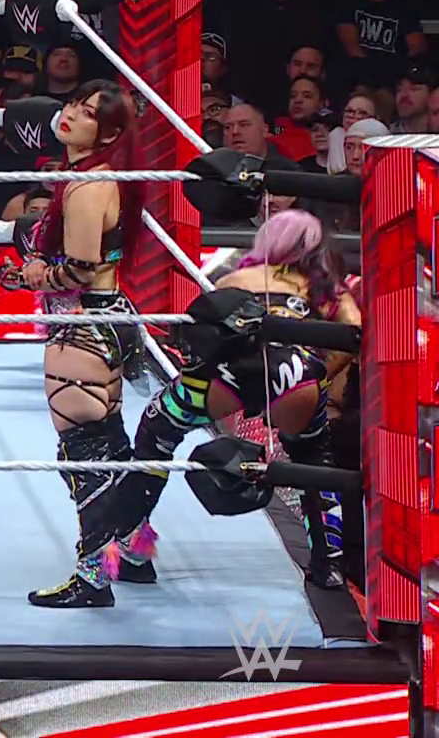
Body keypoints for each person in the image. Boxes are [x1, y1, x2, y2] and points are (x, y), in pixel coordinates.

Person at [116, 210, 361, 591]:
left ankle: (132, 548)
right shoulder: (328, 289)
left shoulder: (238, 279)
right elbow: (355, 332)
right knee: (315, 456)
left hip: (232, 375)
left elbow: (199, 337)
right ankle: (328, 564)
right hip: (298, 374)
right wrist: (320, 372)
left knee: (157, 430)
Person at [4, 78, 145, 608]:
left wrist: (36, 276)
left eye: (87, 113)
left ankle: (93, 576)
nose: (70, 115)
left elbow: (82, 268)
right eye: (73, 104)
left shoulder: (87, 187)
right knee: (110, 443)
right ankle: (134, 553)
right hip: (106, 317)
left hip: (82, 325)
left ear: (106, 133)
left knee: (84, 451)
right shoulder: (94, 177)